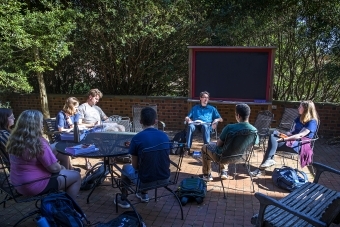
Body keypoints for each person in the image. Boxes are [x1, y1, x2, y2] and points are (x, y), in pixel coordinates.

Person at [6, 110, 81, 200]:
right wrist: (62, 168)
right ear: (36, 125)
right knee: (76, 176)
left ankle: (66, 185)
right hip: (35, 185)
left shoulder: (14, 139)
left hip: (17, 183)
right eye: (41, 123)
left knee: (62, 156)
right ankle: (68, 206)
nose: (42, 126)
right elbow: (54, 168)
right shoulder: (38, 142)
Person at [114, 107, 170, 209]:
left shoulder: (137, 138)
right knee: (151, 164)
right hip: (165, 178)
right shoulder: (165, 136)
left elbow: (135, 167)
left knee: (126, 167)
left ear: (140, 121)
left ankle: (123, 198)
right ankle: (143, 194)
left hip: (145, 181)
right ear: (156, 121)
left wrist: (135, 147)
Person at [250, 100, 319, 177]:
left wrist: (284, 139)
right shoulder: (299, 118)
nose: (298, 108)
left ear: (306, 109)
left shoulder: (312, 122)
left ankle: (262, 169)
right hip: (292, 140)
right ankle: (267, 163)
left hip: (300, 145)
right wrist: (284, 134)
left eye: (300, 107)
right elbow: (292, 132)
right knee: (273, 136)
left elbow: (300, 136)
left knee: (272, 143)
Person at [201, 103, 258, 181]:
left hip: (224, 158)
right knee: (226, 147)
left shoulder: (229, 127)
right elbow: (255, 144)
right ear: (248, 115)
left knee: (205, 147)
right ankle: (224, 171)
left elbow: (218, 144)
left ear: (238, 116)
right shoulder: (254, 130)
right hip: (241, 158)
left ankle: (207, 175)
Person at [78, 88, 125, 169]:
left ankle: (115, 153)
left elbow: (105, 118)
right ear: (90, 97)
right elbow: (79, 123)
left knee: (121, 127)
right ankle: (110, 155)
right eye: (96, 99)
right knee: (115, 130)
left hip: (101, 126)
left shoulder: (97, 108)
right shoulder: (82, 108)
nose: (97, 101)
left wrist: (112, 122)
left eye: (98, 99)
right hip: (91, 129)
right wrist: (92, 124)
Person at [54, 97, 81, 172]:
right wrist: (70, 128)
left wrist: (70, 122)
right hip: (61, 138)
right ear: (71, 106)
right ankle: (69, 170)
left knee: (82, 138)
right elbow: (61, 130)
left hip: (70, 137)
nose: (77, 109)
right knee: (68, 148)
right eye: (76, 107)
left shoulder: (75, 114)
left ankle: (70, 169)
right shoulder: (61, 115)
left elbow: (75, 126)